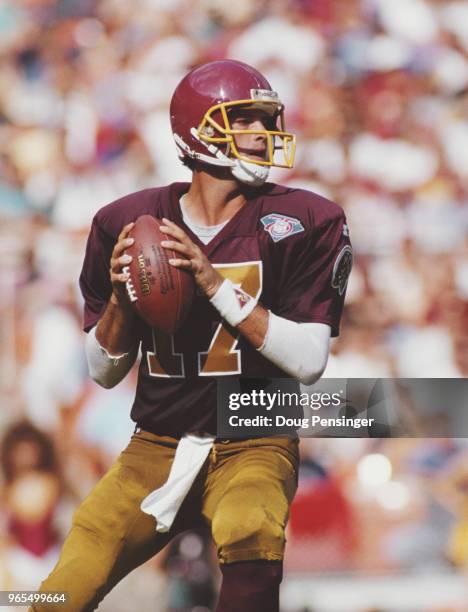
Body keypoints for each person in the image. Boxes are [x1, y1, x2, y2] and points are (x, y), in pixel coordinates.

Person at [32, 59, 352, 612]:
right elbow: (104, 373)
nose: (263, 134)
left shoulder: (303, 220)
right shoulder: (127, 222)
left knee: (251, 527)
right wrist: (120, 302)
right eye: (246, 119)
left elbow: (309, 361)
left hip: (257, 435)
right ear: (199, 130)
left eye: (266, 119)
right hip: (156, 441)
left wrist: (212, 284)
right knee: (71, 577)